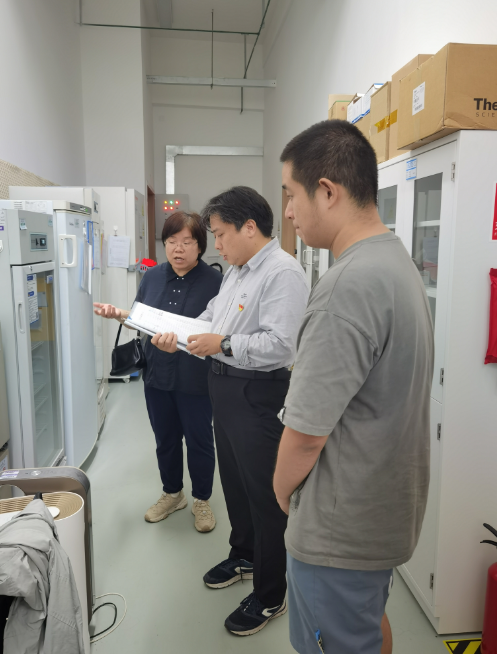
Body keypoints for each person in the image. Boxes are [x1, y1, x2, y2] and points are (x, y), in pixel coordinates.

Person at [273, 119, 434, 654]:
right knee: (366, 626)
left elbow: (306, 436)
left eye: (291, 194)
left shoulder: (345, 286)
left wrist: (283, 495)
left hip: (337, 530)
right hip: (380, 510)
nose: (288, 212)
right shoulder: (395, 261)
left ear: (327, 191)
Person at [152, 186, 309, 636]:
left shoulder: (282, 272)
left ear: (249, 227)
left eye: (220, 234)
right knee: (235, 484)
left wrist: (220, 343)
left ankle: (270, 593)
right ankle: (243, 554)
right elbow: (210, 320)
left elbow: (281, 345)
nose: (215, 244)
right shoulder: (238, 272)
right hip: (223, 386)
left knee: (265, 495)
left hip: (258, 393)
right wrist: (178, 336)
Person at [94, 211, 222, 533]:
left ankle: (202, 499)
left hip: (196, 378)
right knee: (165, 439)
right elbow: (140, 320)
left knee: (199, 441)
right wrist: (118, 314)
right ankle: (173, 494)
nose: (178, 248)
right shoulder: (151, 277)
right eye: (171, 241)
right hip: (157, 376)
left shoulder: (215, 282)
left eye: (187, 242)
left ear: (200, 245)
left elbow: (221, 332)